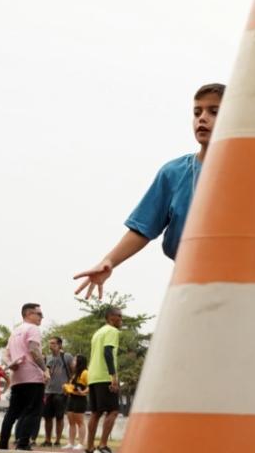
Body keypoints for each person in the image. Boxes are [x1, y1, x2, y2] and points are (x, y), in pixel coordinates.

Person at [72, 83, 224, 298]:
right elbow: (143, 227)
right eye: (197, 112)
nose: (202, 118)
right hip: (189, 281)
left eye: (214, 112)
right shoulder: (174, 173)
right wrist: (109, 261)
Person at [0, 303, 48, 451]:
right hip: (32, 376)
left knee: (12, 411)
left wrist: (10, 364)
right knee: (33, 411)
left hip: (17, 377)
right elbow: (34, 350)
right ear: (28, 314)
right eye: (39, 314)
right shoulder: (33, 329)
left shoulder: (15, 331)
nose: (41, 317)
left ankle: (2, 443)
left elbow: (5, 354)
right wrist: (45, 370)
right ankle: (23, 443)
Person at [84, 307, 124, 453]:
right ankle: (103, 444)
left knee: (96, 412)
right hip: (104, 376)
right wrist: (113, 376)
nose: (121, 319)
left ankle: (89, 446)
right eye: (119, 316)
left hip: (93, 376)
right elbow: (108, 353)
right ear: (111, 317)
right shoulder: (112, 331)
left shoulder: (98, 332)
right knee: (113, 411)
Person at [41, 336, 72, 448]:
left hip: (61, 392)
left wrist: (70, 387)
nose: (51, 345)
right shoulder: (48, 358)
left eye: (53, 343)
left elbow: (73, 371)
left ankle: (58, 440)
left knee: (59, 417)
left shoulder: (67, 356)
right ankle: (47, 440)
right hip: (48, 391)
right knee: (47, 417)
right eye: (50, 343)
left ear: (59, 345)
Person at [63, 354, 89, 451]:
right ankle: (71, 442)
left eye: (74, 360)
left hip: (80, 399)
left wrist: (82, 392)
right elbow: (71, 387)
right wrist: (66, 389)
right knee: (71, 421)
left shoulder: (85, 373)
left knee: (80, 421)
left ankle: (81, 443)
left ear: (80, 362)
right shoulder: (74, 374)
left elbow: (89, 386)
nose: (72, 362)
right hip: (71, 398)